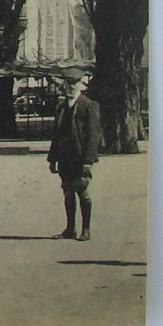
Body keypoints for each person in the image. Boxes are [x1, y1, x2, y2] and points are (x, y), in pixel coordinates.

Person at [49, 72, 102, 241]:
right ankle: (70, 229)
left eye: (74, 84)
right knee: (68, 193)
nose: (70, 87)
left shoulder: (89, 105)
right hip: (65, 157)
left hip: (80, 157)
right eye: (68, 84)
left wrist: (88, 161)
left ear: (81, 85)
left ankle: (86, 229)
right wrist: (52, 159)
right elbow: (56, 135)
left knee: (83, 192)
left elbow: (94, 135)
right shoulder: (61, 107)